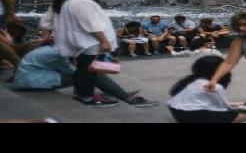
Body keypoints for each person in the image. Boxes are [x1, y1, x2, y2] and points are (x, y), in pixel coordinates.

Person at [41, 0, 121, 107]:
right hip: (89, 42)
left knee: (82, 68)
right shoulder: (82, 2)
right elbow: (91, 24)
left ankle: (81, 94)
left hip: (78, 42)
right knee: (88, 71)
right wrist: (104, 41)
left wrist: (45, 36)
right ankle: (87, 96)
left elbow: (46, 21)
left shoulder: (63, 0)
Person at [13, 45, 158, 107]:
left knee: (88, 72)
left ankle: (115, 91)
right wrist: (88, 68)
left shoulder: (57, 48)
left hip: (29, 78)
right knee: (90, 72)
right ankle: (126, 98)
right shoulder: (60, 54)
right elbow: (69, 71)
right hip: (33, 81)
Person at [168, 56, 246, 123]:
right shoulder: (213, 86)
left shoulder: (191, 80)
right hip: (196, 117)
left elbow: (212, 104)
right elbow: (224, 108)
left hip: (179, 113)